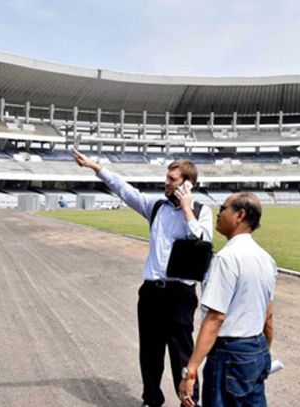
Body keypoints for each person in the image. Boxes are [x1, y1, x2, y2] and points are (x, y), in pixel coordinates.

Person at [72, 149, 213, 407]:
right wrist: (96, 167)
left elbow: (203, 242)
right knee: (150, 350)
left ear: (187, 184)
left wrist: (186, 209)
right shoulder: (156, 207)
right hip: (151, 292)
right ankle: (151, 399)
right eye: (167, 177)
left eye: (172, 179)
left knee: (181, 352)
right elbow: (125, 190)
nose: (166, 182)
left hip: (180, 294)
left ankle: (189, 400)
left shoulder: (202, 212)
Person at [178, 192, 277, 407]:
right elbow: (268, 315)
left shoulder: (226, 259)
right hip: (255, 347)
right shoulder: (266, 259)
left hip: (228, 354)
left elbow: (215, 319)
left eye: (223, 209)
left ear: (239, 215)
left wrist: (191, 370)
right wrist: (261, 351)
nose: (218, 213)